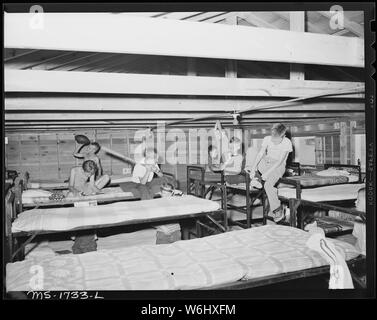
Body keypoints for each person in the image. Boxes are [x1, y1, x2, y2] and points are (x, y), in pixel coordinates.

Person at [245, 123, 293, 223]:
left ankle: (277, 210)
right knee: (251, 151)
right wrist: (253, 168)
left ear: (283, 136)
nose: (274, 142)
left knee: (268, 186)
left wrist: (267, 173)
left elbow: (280, 161)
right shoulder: (267, 138)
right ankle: (257, 179)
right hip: (267, 162)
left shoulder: (287, 142)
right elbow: (261, 153)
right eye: (273, 139)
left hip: (278, 166)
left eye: (277, 140)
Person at [67, 160, 110, 254]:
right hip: (76, 190)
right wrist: (77, 193)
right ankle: (76, 233)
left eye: (91, 174)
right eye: (87, 174)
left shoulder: (92, 171)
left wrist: (101, 193)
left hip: (87, 189)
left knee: (106, 177)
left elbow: (92, 185)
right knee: (69, 196)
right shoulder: (74, 170)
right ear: (83, 170)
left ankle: (92, 232)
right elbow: (70, 186)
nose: (89, 176)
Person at [353, 187, 366, 255]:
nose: (355, 202)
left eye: (358, 200)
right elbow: (357, 239)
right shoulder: (358, 217)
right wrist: (355, 252)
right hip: (361, 251)